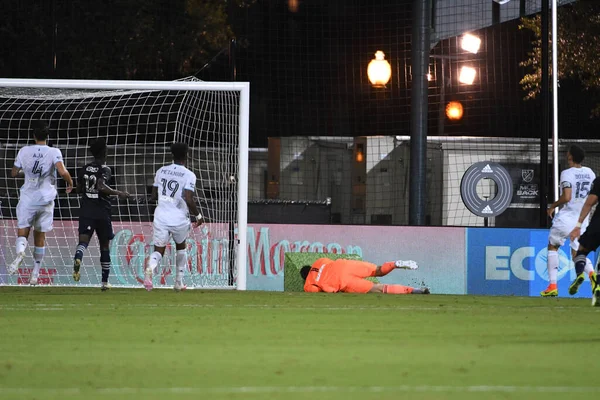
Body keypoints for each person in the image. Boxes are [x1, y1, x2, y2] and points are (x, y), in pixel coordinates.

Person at [7, 121, 73, 285]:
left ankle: (20, 253)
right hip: (46, 199)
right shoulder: (54, 151)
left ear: (33, 136)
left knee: (23, 232)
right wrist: (71, 183)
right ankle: (35, 275)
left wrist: (24, 171)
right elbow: (62, 171)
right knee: (40, 236)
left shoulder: (24, 151)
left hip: (28, 198)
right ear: (47, 136)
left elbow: (13, 173)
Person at [144, 142, 203, 292]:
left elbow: (153, 195)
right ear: (186, 155)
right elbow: (189, 199)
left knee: (159, 250)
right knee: (181, 246)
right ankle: (178, 282)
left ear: (172, 155)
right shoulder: (189, 175)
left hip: (161, 215)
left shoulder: (161, 171)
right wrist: (198, 215)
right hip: (178, 218)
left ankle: (150, 268)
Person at [72, 138, 130, 291]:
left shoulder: (84, 168)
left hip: (86, 211)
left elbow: (78, 189)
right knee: (104, 246)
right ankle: (104, 282)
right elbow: (101, 186)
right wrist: (119, 193)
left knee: (83, 242)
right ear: (104, 152)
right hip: (102, 212)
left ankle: (78, 256)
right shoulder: (105, 169)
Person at [541, 145, 597, 297]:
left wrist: (552, 206)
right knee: (577, 254)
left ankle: (552, 286)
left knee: (553, 246)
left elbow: (567, 197)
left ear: (570, 156)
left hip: (567, 218)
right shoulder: (590, 173)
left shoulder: (566, 173)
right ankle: (592, 276)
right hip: (582, 220)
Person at [300, 257, 430, 294]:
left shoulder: (308, 284)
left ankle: (414, 290)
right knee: (378, 270)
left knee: (378, 288)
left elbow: (316, 290)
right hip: (345, 265)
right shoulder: (320, 261)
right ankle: (396, 263)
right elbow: (329, 262)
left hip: (343, 281)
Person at [569, 175, 600, 306]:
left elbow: (589, 203)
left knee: (581, 251)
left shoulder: (599, 181)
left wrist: (578, 226)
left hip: (597, 224)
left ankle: (580, 273)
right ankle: (598, 286)